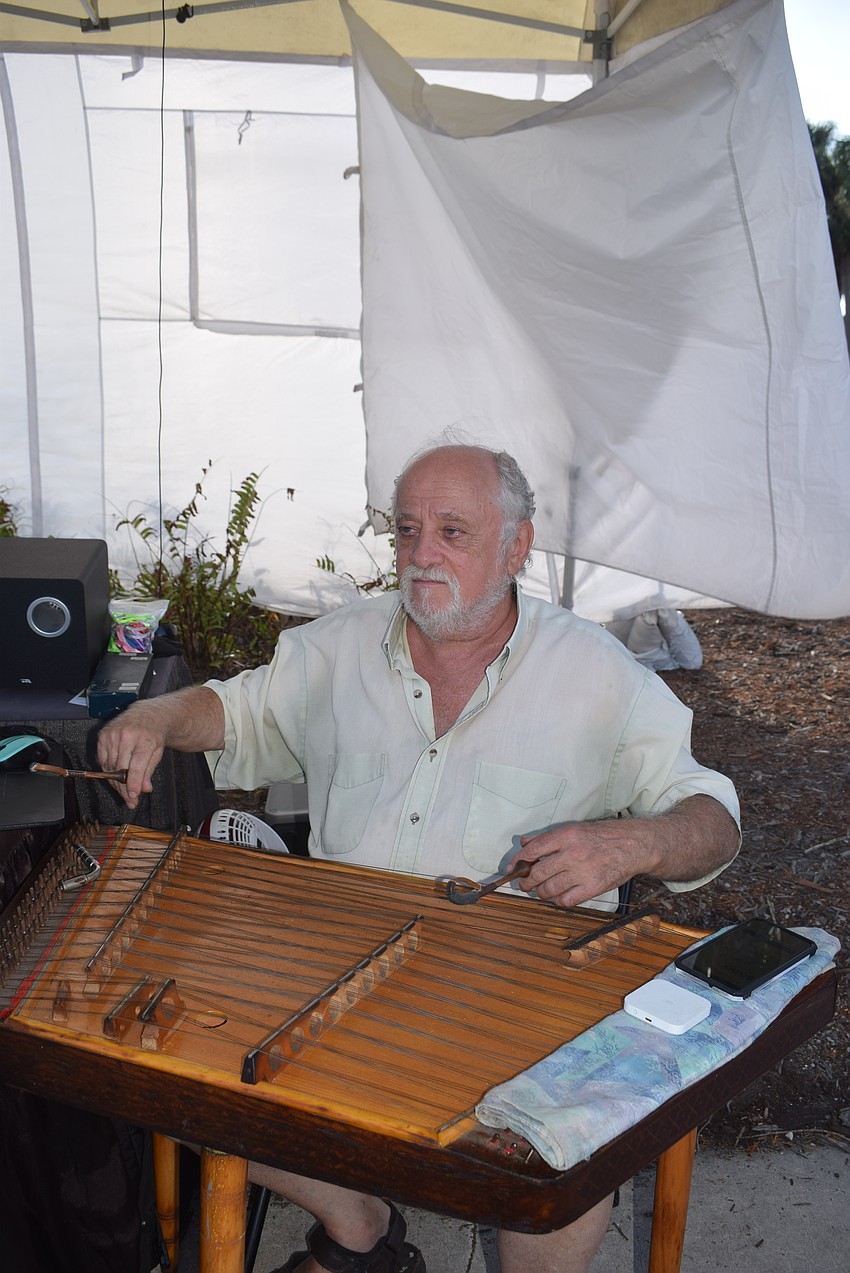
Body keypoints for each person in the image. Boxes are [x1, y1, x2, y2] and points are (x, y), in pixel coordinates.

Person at [98, 443, 740, 1273]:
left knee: (561, 1176)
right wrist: (156, 716)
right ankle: (359, 1225)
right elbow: (232, 711)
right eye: (407, 530)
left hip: (516, 1000)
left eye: (452, 531)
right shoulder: (338, 649)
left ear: (516, 546)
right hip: (336, 976)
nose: (421, 553)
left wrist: (635, 842)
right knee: (154, 1065)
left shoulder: (596, 673)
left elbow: (713, 818)